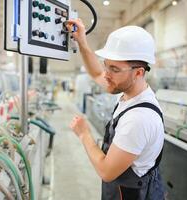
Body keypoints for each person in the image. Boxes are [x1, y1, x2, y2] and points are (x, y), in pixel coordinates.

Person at [67, 19, 165, 200]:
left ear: (138, 72)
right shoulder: (130, 91)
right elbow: (96, 73)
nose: (106, 74)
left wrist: (84, 134)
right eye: (106, 65)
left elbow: (106, 171)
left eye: (114, 69)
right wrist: (82, 42)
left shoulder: (138, 119)